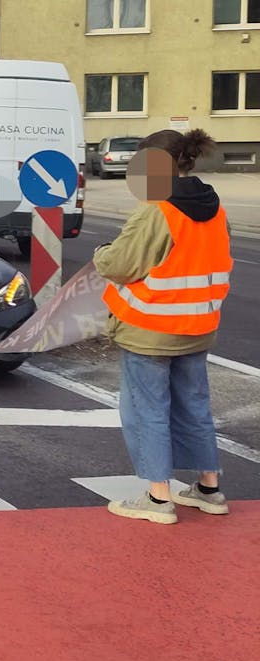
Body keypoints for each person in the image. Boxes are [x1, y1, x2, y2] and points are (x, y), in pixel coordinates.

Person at [94, 129, 230, 524]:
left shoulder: (158, 209)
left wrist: (103, 252)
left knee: (148, 410)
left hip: (151, 328)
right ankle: (208, 488)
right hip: (198, 324)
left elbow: (120, 264)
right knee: (195, 406)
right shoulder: (213, 206)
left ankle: (157, 499)